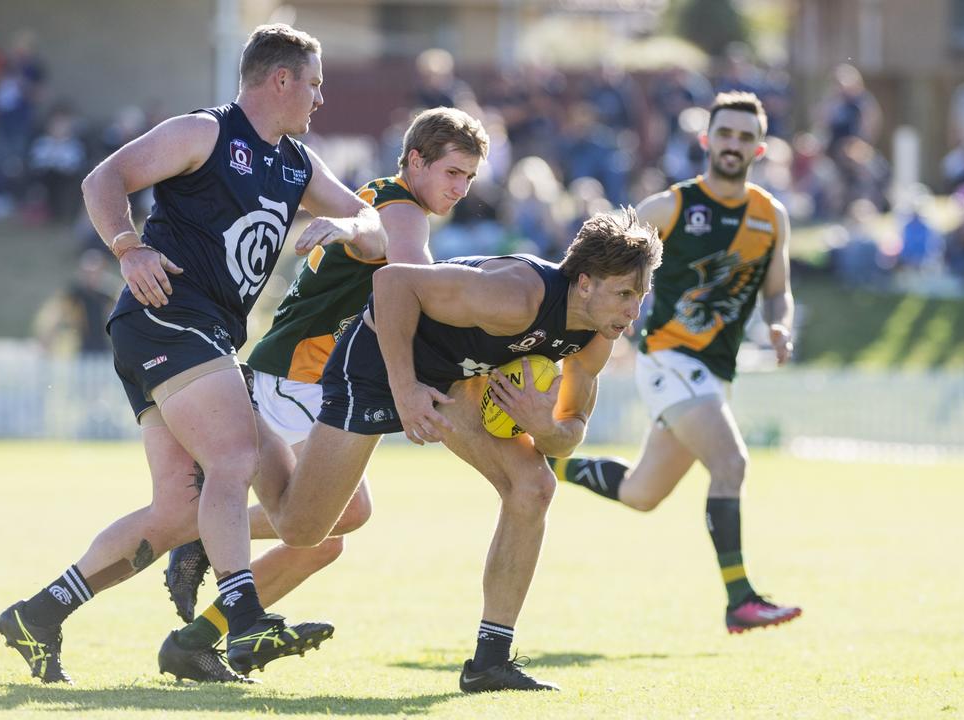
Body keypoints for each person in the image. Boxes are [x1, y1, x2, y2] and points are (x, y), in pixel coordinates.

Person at [0, 24, 387, 684]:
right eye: (314, 84)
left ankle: (39, 614)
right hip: (166, 321)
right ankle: (244, 611)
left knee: (177, 510)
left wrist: (345, 225)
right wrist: (127, 246)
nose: (320, 100)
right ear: (281, 79)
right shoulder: (205, 132)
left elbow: (374, 231)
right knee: (233, 456)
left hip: (200, 338)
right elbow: (104, 178)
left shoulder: (298, 165)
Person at [254, 209, 661, 693]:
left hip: (454, 378)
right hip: (380, 357)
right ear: (587, 283)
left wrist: (540, 428)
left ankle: (490, 662)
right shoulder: (516, 294)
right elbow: (391, 285)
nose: (634, 311)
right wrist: (405, 392)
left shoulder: (597, 334)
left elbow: (570, 433)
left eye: (640, 296)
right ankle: (234, 408)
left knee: (533, 485)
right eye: (625, 294)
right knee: (302, 529)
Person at [157, 106, 490, 682]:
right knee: (335, 518)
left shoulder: (384, 201)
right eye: (452, 173)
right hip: (301, 376)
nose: (460, 189)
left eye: (469, 178)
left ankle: (199, 635)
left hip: (304, 376)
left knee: (322, 537)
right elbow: (427, 292)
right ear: (415, 161)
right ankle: (200, 534)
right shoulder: (402, 208)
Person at [549, 92, 802, 634]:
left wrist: (781, 323)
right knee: (731, 465)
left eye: (744, 136)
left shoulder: (771, 215)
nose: (733, 144)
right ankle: (740, 600)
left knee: (643, 493)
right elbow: (601, 258)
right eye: (725, 134)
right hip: (668, 357)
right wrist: (603, 312)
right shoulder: (672, 206)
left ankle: (550, 464)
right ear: (708, 141)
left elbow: (778, 291)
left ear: (759, 146)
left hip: (714, 371)